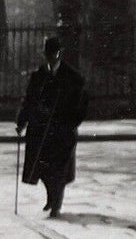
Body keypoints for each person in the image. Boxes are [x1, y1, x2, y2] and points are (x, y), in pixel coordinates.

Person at [16, 35, 89, 219]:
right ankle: (51, 197)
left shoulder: (73, 78)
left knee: (60, 170)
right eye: (48, 54)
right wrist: (21, 122)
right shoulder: (38, 76)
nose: (50, 58)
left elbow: (82, 104)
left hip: (62, 131)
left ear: (60, 54)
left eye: (54, 54)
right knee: (43, 169)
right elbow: (29, 101)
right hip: (41, 130)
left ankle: (56, 204)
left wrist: (72, 123)